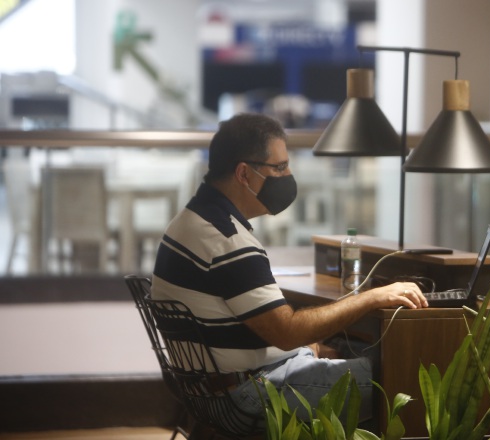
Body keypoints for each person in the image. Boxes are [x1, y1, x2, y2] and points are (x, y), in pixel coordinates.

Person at [150, 112, 427, 425]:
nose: (288, 175)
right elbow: (287, 331)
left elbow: (268, 331)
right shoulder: (227, 240)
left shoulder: (190, 221)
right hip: (245, 396)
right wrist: (373, 296)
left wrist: (303, 349)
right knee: (400, 375)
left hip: (206, 391)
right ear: (244, 174)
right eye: (279, 167)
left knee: (334, 349)